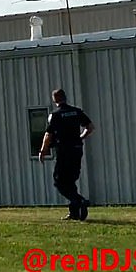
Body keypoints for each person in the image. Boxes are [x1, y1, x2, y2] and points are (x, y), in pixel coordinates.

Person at [39, 89, 95, 221]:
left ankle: (80, 201)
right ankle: (75, 212)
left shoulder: (56, 115)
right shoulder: (76, 111)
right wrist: (80, 138)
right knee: (70, 181)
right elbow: (90, 127)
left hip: (64, 151)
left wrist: (42, 151)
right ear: (65, 97)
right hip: (76, 150)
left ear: (55, 100)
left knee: (59, 181)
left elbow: (48, 135)